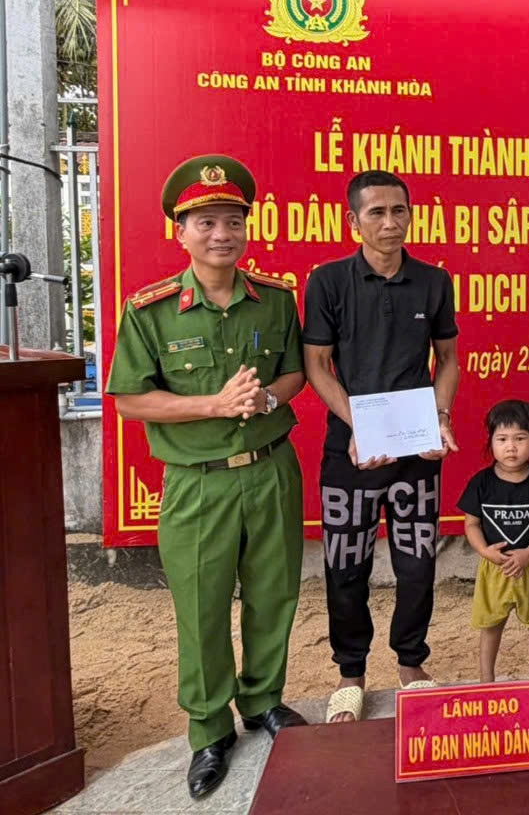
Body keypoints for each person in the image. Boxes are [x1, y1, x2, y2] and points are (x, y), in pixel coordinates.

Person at [106, 155, 307, 799]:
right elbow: (131, 399)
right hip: (198, 482)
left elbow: (295, 373)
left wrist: (269, 400)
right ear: (180, 230)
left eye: (233, 220)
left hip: (272, 471)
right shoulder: (152, 311)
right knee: (202, 606)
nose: (222, 233)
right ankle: (208, 730)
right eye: (205, 221)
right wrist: (212, 405)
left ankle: (263, 701)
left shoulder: (275, 300)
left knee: (274, 593)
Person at [302, 170, 461, 723]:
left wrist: (440, 418)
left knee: (417, 563)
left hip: (417, 450)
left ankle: (412, 664)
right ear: (353, 221)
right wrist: (358, 425)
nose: (390, 223)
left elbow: (449, 358)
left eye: (399, 211)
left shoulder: (433, 281)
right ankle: (350, 674)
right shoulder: (326, 282)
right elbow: (316, 366)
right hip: (350, 450)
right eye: (377, 213)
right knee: (347, 565)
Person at [458, 400, 529, 683]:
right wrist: (485, 551)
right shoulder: (480, 483)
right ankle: (486, 680)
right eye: (502, 439)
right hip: (496, 567)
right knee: (491, 625)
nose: (511, 447)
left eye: (520, 439)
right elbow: (470, 524)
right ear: (491, 442)